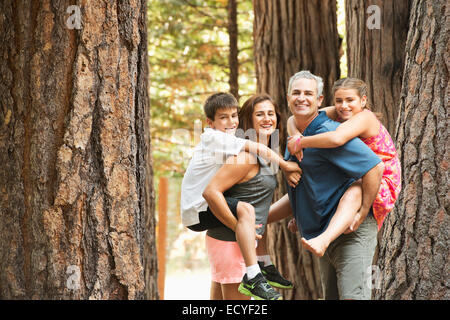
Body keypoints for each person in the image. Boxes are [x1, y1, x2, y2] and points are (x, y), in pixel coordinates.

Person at [269, 70, 385, 300]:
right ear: (288, 97)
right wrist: (259, 219)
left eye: (308, 93)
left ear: (319, 100)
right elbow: (306, 190)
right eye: (296, 93)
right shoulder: (295, 139)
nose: (302, 97)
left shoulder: (329, 132)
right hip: (323, 234)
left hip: (351, 232)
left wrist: (362, 212)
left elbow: (375, 167)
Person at [180, 93, 298, 300]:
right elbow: (212, 192)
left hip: (228, 233)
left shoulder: (237, 144)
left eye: (271, 113)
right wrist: (287, 166)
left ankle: (261, 268)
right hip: (213, 224)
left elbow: (260, 213)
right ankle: (254, 276)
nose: (267, 118)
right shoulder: (229, 146)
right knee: (246, 209)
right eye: (259, 114)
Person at [285, 77, 402, 257]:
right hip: (356, 170)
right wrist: (294, 136)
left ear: (362, 101)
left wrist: (301, 142)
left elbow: (337, 138)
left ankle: (325, 239)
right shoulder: (338, 112)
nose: (344, 106)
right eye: (339, 101)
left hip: (381, 177)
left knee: (355, 189)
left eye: (350, 100)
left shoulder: (365, 117)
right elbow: (295, 118)